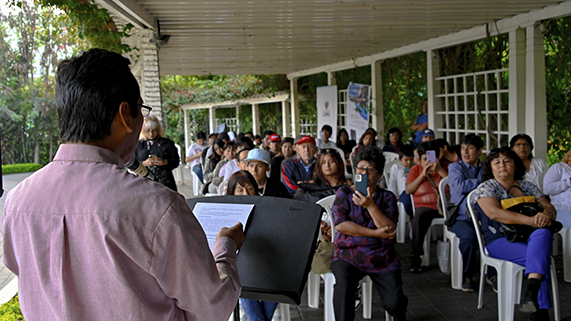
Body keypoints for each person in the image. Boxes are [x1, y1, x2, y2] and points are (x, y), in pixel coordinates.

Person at [1, 48, 245, 321]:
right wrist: (225, 248)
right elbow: (213, 305)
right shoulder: (157, 206)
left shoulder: (16, 202)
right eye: (141, 109)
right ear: (124, 114)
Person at [472, 147, 557, 321]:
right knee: (541, 258)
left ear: (516, 166)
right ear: (491, 168)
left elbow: (549, 207)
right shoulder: (487, 187)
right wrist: (531, 220)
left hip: (530, 236)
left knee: (543, 234)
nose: (502, 165)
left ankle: (532, 293)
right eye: (497, 162)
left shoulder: (527, 186)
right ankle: (539, 312)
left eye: (507, 161)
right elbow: (494, 213)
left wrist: (545, 216)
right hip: (500, 239)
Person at [331, 146, 408, 321]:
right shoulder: (344, 192)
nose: (364, 173)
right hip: (348, 255)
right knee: (343, 290)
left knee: (394, 303)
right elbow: (341, 225)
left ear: (380, 174)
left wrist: (370, 206)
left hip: (381, 257)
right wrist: (375, 234)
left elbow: (389, 230)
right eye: (360, 168)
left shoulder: (387, 198)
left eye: (370, 170)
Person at [447, 134, 484, 292]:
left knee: (497, 232)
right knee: (469, 235)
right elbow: (459, 187)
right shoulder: (455, 167)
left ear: (480, 151)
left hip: (483, 216)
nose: (465, 151)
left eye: (470, 148)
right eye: (463, 148)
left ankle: (492, 273)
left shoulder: (486, 168)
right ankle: (468, 274)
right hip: (460, 217)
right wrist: (481, 183)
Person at [406, 141, 448, 272]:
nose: (427, 162)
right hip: (424, 208)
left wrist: (440, 170)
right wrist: (422, 175)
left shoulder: (446, 167)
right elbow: (408, 190)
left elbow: (454, 186)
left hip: (444, 207)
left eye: (430, 159)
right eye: (424, 159)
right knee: (418, 217)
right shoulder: (416, 169)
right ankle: (416, 255)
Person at [134, 115, 180, 192]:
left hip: (165, 180)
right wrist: (144, 163)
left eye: (154, 130)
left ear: (158, 130)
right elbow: (132, 163)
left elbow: (176, 161)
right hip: (143, 181)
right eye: (147, 131)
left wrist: (165, 162)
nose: (151, 134)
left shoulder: (167, 143)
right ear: (143, 130)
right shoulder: (139, 145)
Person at [543, 149, 571, 228]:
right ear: (569, 157)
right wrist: (568, 182)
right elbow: (547, 189)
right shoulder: (559, 167)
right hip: (562, 210)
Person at [387, 145, 415, 219]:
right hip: (404, 193)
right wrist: (393, 196)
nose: (409, 162)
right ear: (400, 159)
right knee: (408, 202)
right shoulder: (396, 167)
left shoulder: (416, 167)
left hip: (415, 192)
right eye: (406, 160)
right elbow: (392, 182)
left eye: (411, 159)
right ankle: (412, 218)